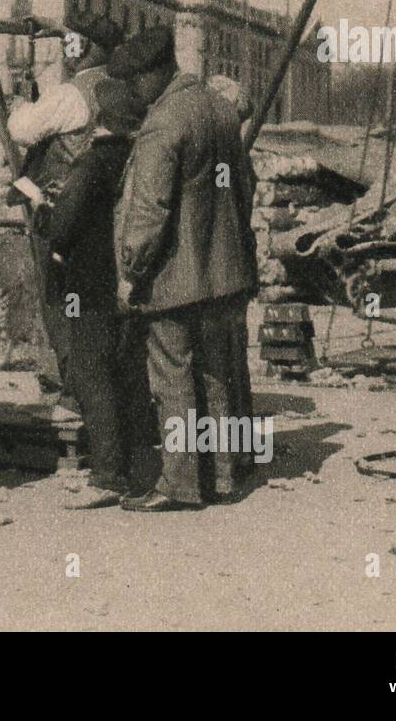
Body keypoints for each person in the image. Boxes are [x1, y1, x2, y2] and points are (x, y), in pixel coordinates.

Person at [112, 27, 258, 511]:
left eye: (135, 80)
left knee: (172, 379)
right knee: (217, 376)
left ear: (155, 74)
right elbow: (244, 191)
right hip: (226, 274)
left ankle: (178, 484)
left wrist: (131, 274)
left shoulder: (164, 122)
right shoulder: (219, 109)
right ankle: (223, 475)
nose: (132, 90)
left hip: (176, 279)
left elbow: (149, 211)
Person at [33, 78, 151, 507]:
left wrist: (46, 211)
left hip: (89, 284)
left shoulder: (94, 161)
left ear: (97, 119)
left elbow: (64, 224)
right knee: (124, 371)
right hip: (128, 280)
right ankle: (134, 461)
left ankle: (107, 476)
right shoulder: (136, 158)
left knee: (91, 373)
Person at [7, 12, 125, 407]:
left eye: (72, 44)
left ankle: (69, 391)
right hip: (107, 217)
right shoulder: (120, 86)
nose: (67, 52)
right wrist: (57, 27)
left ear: (86, 48)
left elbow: (22, 129)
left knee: (60, 305)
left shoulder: (71, 94)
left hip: (63, 215)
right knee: (98, 308)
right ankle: (101, 390)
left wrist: (21, 102)